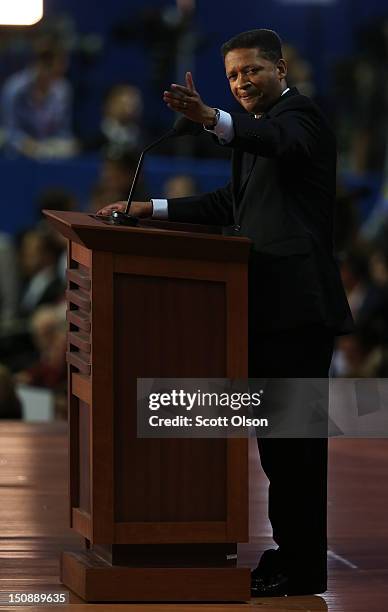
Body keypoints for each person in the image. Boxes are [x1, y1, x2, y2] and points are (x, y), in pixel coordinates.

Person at [97, 29, 353, 597]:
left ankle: (305, 567)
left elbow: (276, 144)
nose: (241, 83)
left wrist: (211, 117)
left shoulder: (300, 118)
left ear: (280, 70)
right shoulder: (257, 135)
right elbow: (229, 205)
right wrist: (150, 208)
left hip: (298, 312)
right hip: (265, 311)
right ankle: (290, 555)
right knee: (278, 451)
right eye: (233, 76)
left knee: (297, 452)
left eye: (251, 72)